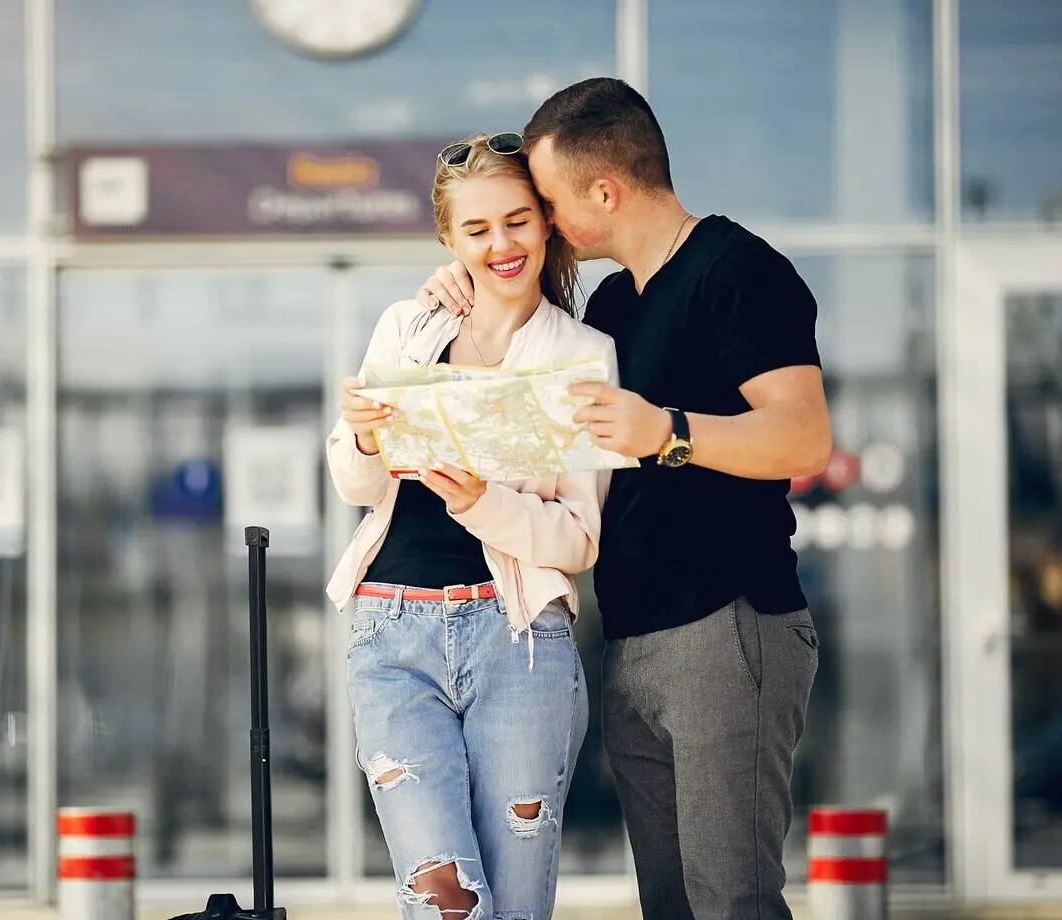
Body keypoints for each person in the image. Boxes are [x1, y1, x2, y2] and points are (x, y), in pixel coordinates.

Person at [416, 78, 832, 920]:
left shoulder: (740, 272)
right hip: (633, 637)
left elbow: (803, 439)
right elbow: (519, 310)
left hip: (728, 625)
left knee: (732, 900)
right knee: (671, 905)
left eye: (551, 203)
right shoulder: (608, 304)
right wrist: (456, 279)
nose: (546, 220)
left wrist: (667, 431)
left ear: (602, 192)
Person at [325, 132, 622, 919]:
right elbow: (357, 485)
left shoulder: (584, 356)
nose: (502, 245)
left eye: (518, 221)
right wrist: (358, 434)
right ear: (449, 241)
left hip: (519, 648)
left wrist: (477, 502)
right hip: (392, 636)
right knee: (444, 900)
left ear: (547, 224)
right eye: (478, 229)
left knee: (515, 908)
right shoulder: (406, 329)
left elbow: (578, 540)